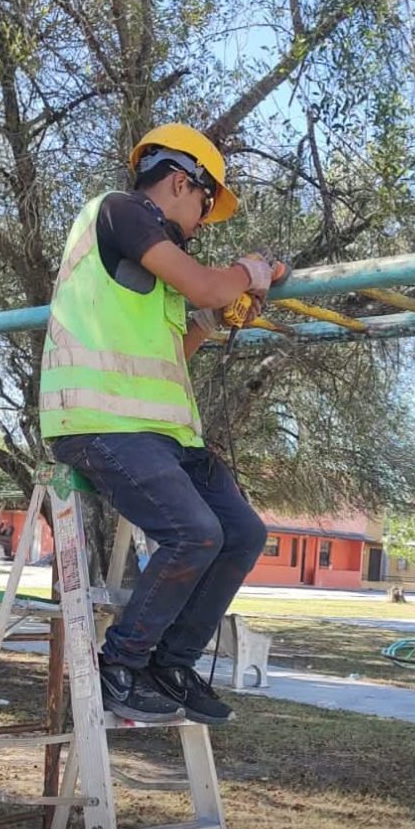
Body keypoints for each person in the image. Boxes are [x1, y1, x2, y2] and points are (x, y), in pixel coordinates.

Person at [39, 123, 286, 725]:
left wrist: (209, 317)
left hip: (161, 433)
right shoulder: (118, 211)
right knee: (194, 531)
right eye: (206, 205)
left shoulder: (163, 273)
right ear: (181, 181)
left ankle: (172, 665)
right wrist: (247, 272)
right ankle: (118, 666)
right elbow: (208, 279)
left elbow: (175, 355)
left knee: (241, 534)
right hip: (99, 420)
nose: (203, 221)